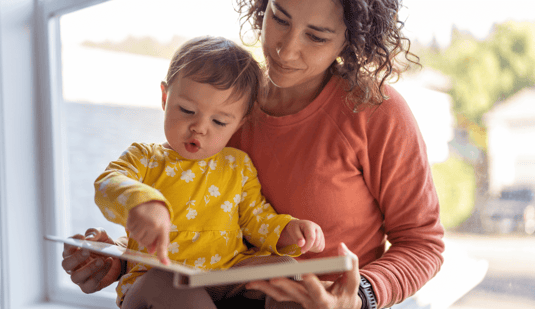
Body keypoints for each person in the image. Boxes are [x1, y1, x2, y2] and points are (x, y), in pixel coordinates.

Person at [62, 0, 445, 308]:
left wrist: (360, 294)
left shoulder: (377, 111)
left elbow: (422, 244)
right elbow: (193, 221)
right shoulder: (225, 104)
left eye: (316, 36)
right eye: (279, 17)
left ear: (350, 40)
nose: (285, 48)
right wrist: (117, 260)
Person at [82, 36, 326, 308]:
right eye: (187, 110)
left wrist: (288, 230)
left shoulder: (238, 165)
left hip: (227, 273)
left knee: (286, 267)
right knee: (166, 282)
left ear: (239, 123)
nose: (199, 127)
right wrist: (142, 202)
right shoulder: (146, 157)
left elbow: (256, 219)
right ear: (165, 97)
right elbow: (107, 182)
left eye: (219, 121)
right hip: (158, 279)